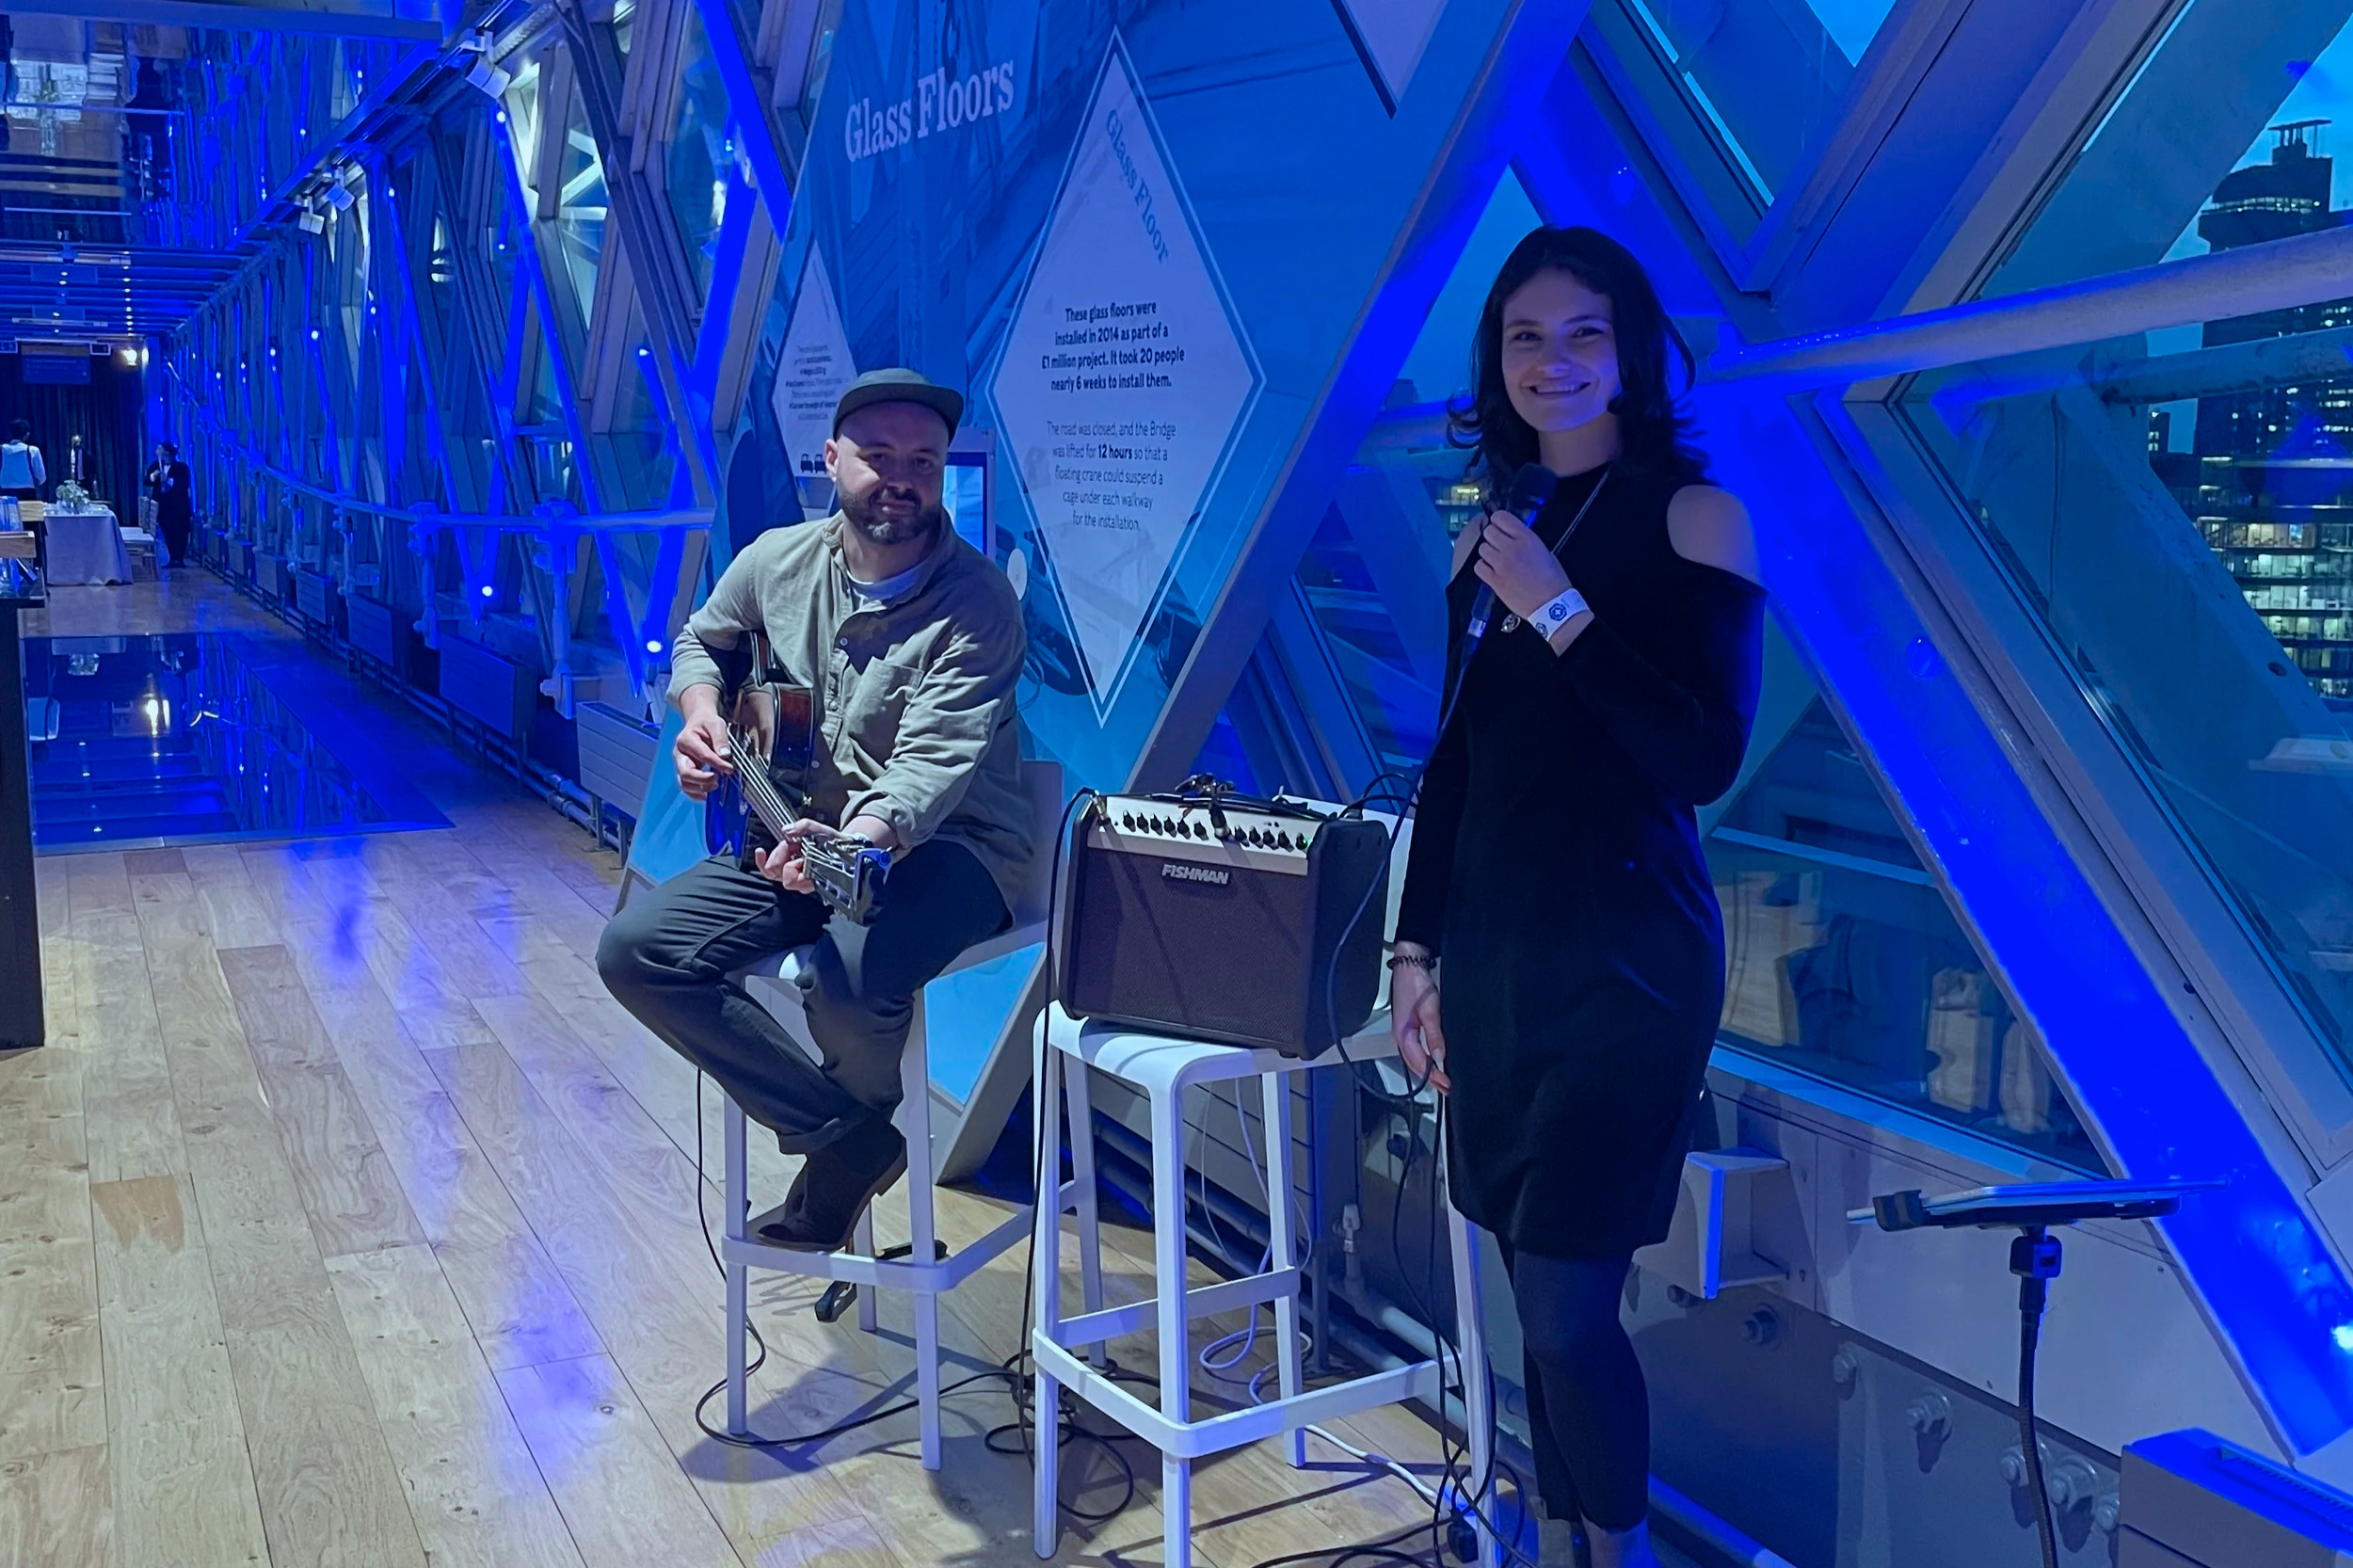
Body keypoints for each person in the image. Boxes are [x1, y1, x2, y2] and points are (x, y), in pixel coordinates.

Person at [1387, 228, 1766, 1568]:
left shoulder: (1693, 518)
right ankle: (1558, 1538)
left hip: (1630, 965)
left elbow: (1704, 757)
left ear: (1633, 350)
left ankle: (1623, 1549)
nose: (1554, 362)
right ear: (1497, 359)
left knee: (1564, 1306)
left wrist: (1561, 613)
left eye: (1584, 333)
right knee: (1517, 1264)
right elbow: (1457, 767)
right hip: (1495, 959)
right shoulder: (1497, 529)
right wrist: (1412, 951)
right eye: (1526, 336)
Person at [598, 368, 1032, 1251]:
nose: (900, 477)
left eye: (924, 459)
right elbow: (700, 640)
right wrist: (703, 714)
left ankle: (841, 1162)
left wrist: (859, 842)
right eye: (877, 456)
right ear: (831, 461)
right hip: (792, 825)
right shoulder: (774, 560)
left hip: (951, 847)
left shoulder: (979, 604)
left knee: (849, 975)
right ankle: (849, 1140)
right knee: (636, 952)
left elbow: (929, 770)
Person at [2, 419, 46, 569]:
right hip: (28, 495)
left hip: (5, 497)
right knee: (32, 533)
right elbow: (41, 477)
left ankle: (7, 570)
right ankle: (36, 568)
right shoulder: (32, 451)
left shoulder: (2, 450)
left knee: (5, 533)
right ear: (26, 434)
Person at [144, 442, 193, 567]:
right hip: (163, 506)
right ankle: (172, 557)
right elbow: (146, 481)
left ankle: (179, 558)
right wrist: (153, 476)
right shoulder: (156, 466)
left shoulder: (182, 467)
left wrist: (169, 481)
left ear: (170, 454)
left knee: (180, 532)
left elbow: (184, 485)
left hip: (178, 506)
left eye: (164, 454)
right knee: (168, 531)